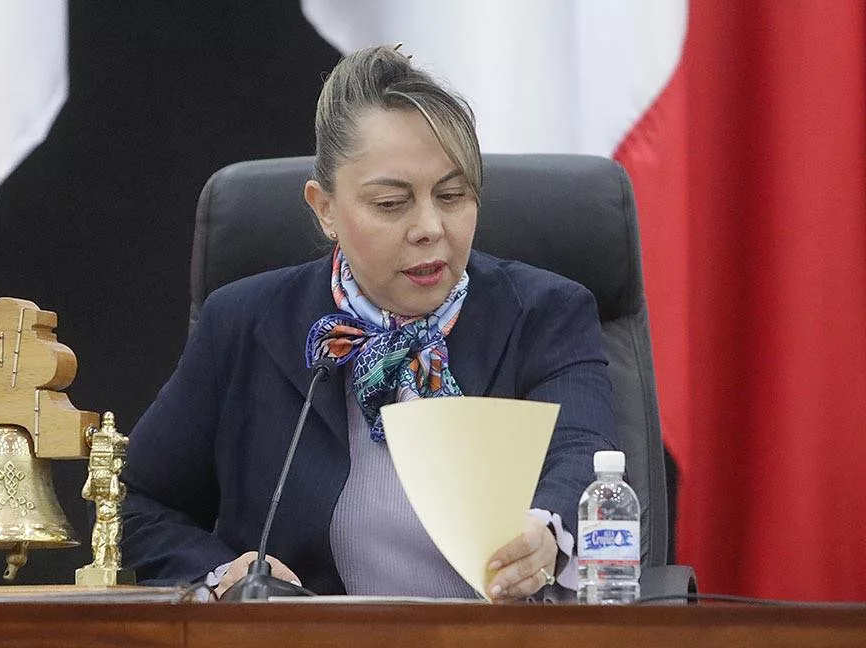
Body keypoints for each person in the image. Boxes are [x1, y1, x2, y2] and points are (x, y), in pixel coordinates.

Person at [120, 45, 617, 602]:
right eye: (390, 203)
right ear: (325, 208)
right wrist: (221, 577)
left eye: (452, 196)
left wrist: (546, 531)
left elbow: (586, 454)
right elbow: (137, 502)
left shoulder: (546, 314)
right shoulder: (242, 325)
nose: (430, 227)